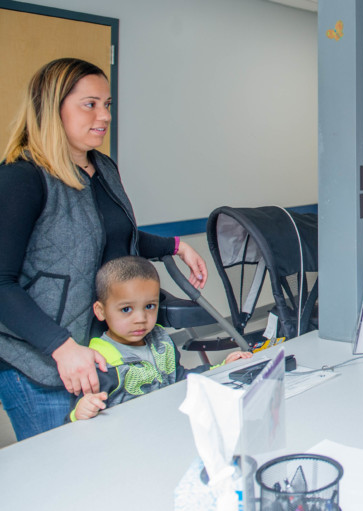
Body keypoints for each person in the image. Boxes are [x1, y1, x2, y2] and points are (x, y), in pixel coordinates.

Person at [0, 58, 209, 440]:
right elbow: (1, 283)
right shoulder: (21, 177)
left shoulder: (103, 168)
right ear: (53, 107)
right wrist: (61, 348)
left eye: (108, 104)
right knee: (62, 480)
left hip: (100, 351)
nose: (104, 115)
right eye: (90, 104)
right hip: (40, 362)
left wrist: (175, 246)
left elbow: (111, 237)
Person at [70, 257, 252, 421]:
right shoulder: (100, 361)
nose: (141, 318)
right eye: (126, 309)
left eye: (149, 306)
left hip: (168, 424)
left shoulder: (161, 340)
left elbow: (179, 379)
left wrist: (220, 368)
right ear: (101, 311)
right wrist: (80, 412)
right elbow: (81, 418)